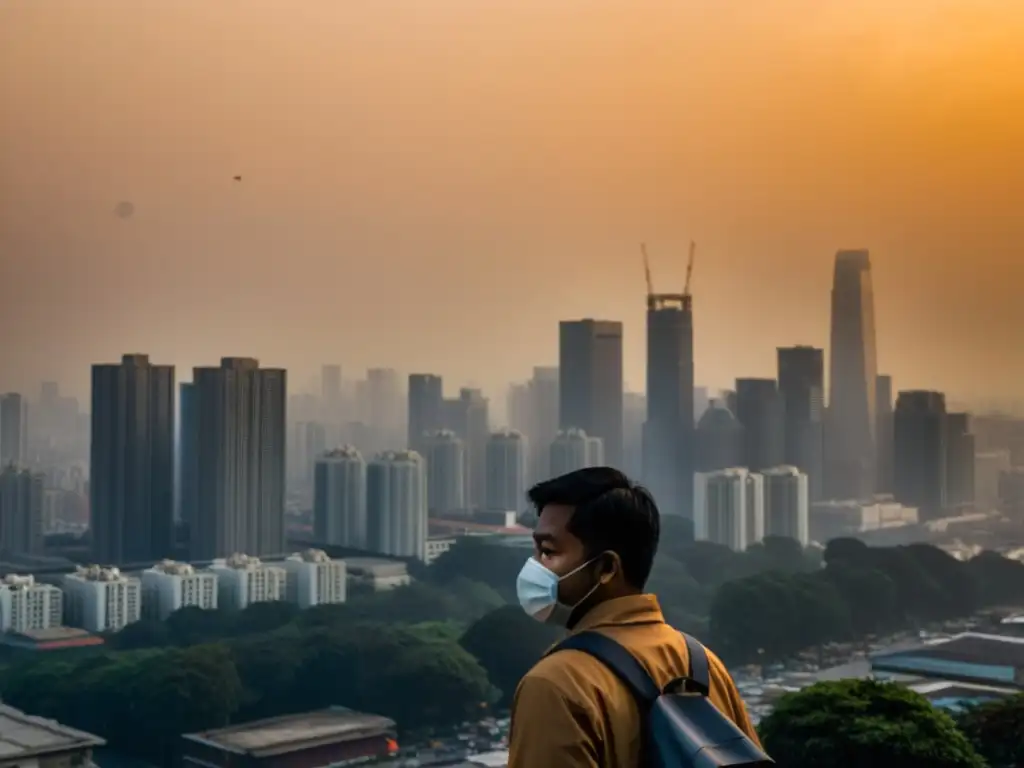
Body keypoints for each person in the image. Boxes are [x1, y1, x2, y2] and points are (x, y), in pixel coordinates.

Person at [507, 467, 761, 768]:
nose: (534, 566)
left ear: (606, 569)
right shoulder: (703, 664)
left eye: (548, 552)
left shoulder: (555, 685)